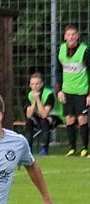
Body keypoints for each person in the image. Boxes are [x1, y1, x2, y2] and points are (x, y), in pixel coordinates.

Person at [55, 25, 90, 157]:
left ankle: (85, 148)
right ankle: (72, 148)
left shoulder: (85, 51)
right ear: (65, 37)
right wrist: (59, 90)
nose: (71, 37)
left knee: (82, 118)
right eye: (68, 35)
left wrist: (89, 94)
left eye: (73, 34)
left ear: (77, 36)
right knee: (69, 119)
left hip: (81, 90)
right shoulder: (61, 49)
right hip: (67, 90)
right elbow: (58, 71)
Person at [23, 72, 63, 156]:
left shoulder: (48, 94)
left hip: (54, 116)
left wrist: (37, 99)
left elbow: (44, 114)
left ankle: (45, 149)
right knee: (29, 121)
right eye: (32, 84)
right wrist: (34, 101)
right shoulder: (30, 94)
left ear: (41, 84)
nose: (34, 86)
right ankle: (28, 150)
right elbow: (29, 115)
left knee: (44, 121)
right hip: (40, 116)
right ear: (30, 85)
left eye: (37, 84)